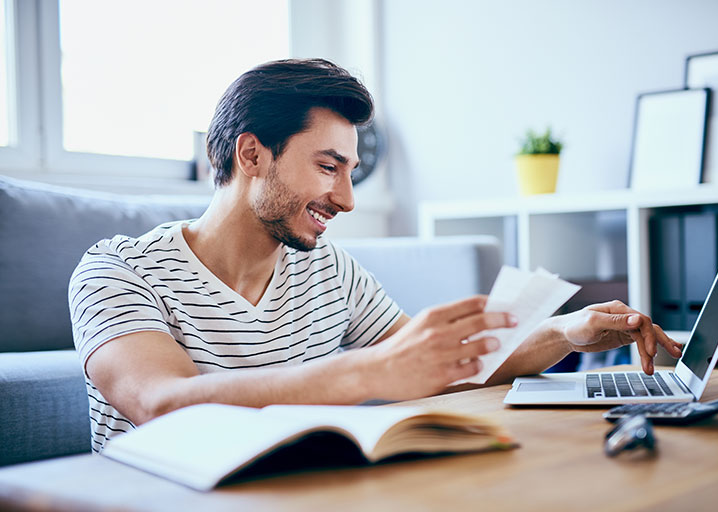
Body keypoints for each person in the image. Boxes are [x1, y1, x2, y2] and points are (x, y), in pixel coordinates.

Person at [68, 59, 682, 452]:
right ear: (250, 155)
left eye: (352, 171)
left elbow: (444, 364)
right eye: (328, 167)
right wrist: (369, 372)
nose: (347, 199)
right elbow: (157, 403)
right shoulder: (116, 269)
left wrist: (566, 333)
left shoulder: (327, 269)